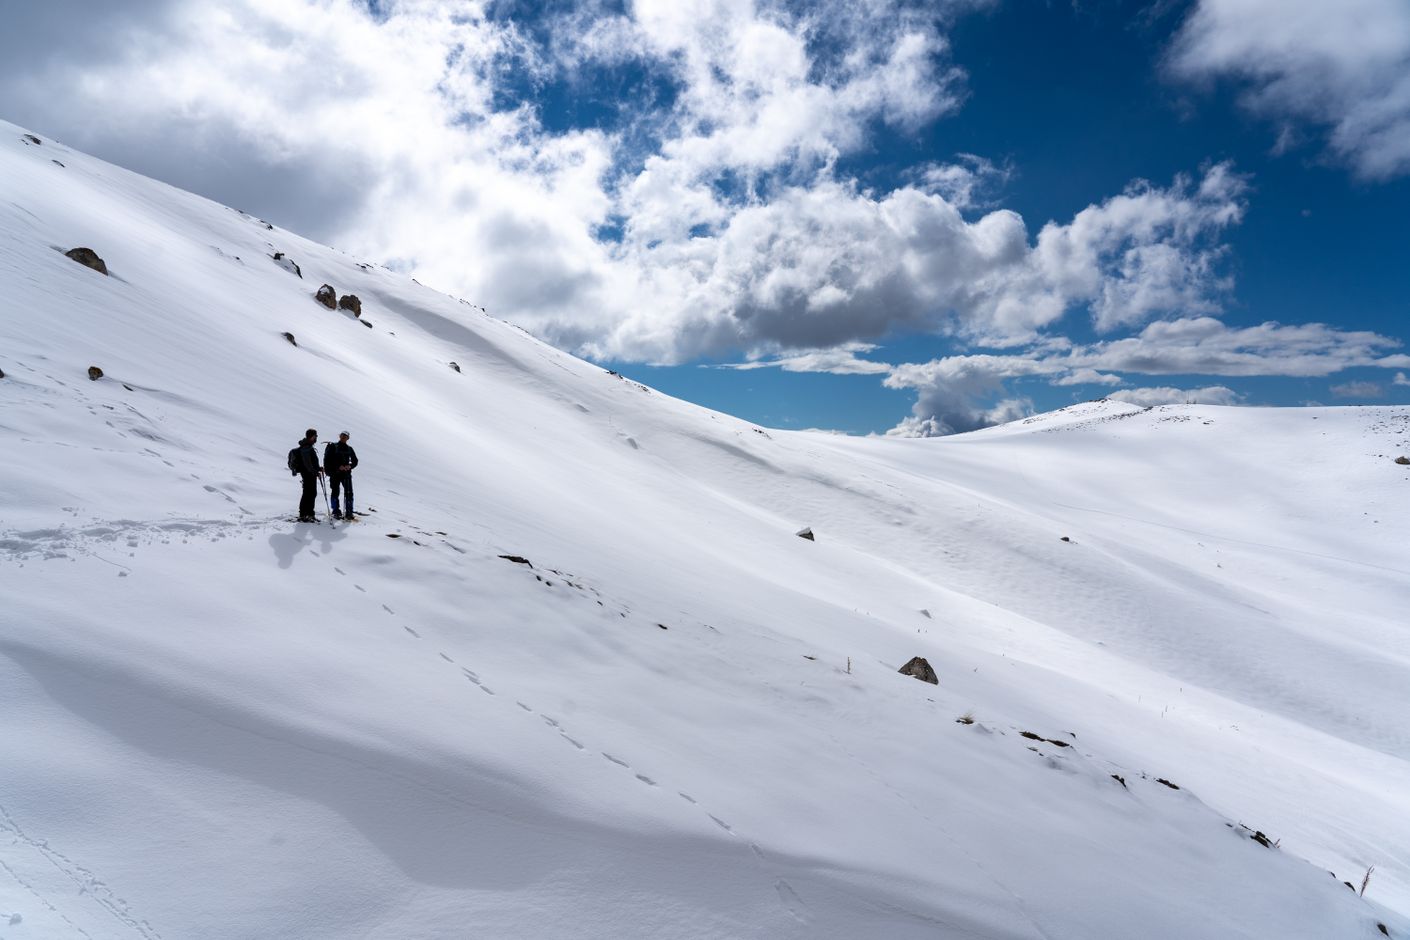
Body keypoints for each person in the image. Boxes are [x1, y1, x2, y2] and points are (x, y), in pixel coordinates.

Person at [323, 430, 359, 520]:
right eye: (342, 435)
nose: (344, 437)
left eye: (345, 436)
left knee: (349, 493)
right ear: (339, 436)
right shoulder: (333, 446)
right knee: (335, 492)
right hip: (335, 473)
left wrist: (349, 466)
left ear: (348, 438)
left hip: (346, 474)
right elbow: (327, 460)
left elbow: (355, 461)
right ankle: (335, 511)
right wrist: (338, 467)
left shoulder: (349, 449)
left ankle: (349, 512)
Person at [294, 428, 323, 522]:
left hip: (308, 473)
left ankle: (306, 514)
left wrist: (318, 468)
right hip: (308, 474)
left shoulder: (307, 446)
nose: (316, 438)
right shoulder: (306, 447)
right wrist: (315, 472)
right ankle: (306, 514)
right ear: (312, 436)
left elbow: (310, 463)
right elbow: (307, 464)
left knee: (309, 493)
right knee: (309, 494)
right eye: (316, 436)